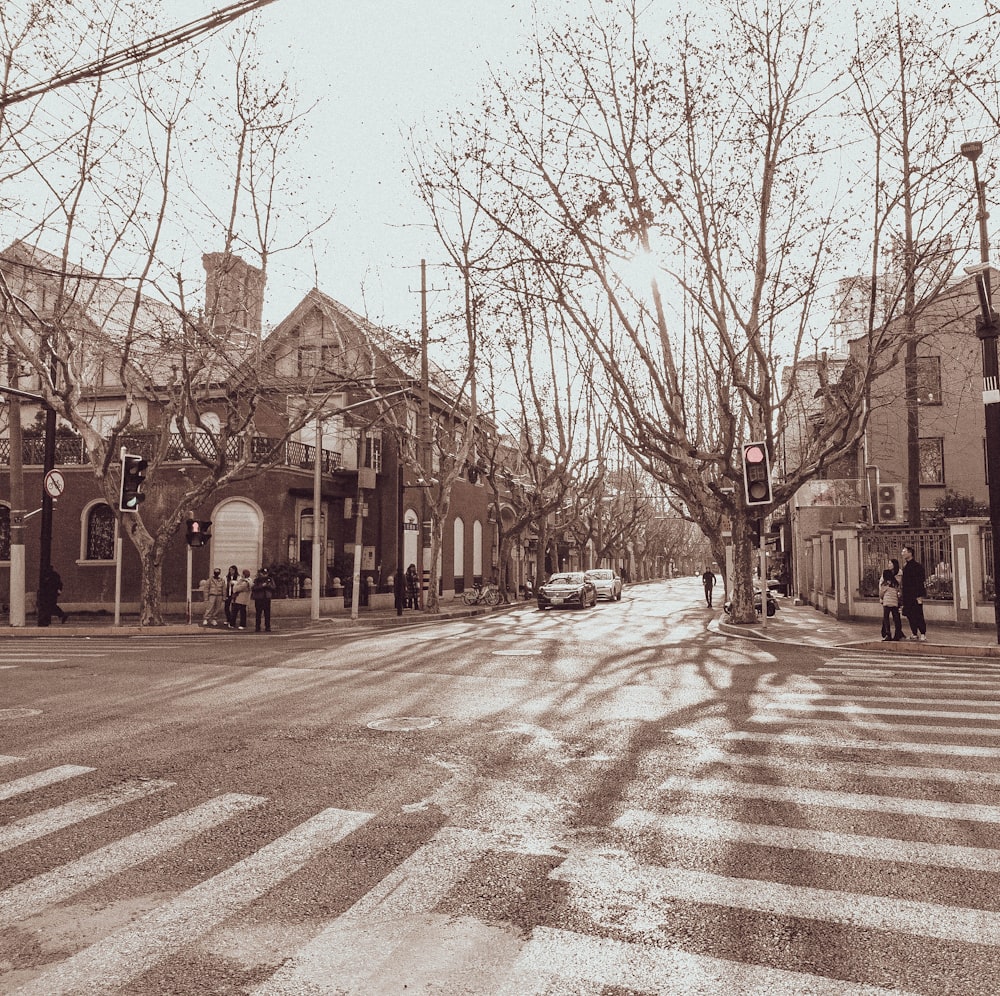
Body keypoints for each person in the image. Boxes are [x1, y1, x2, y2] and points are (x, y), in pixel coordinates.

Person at [900, 545, 927, 641]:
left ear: (910, 553)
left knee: (918, 614)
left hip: (915, 595)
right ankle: (914, 633)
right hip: (907, 595)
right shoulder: (905, 566)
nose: (902, 553)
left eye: (904, 551)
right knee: (910, 614)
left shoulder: (917, 566)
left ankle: (923, 633)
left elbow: (920, 581)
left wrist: (919, 595)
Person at [879, 566, 903, 642]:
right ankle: (897, 634)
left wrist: (882, 598)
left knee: (886, 618)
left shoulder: (884, 584)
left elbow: (881, 593)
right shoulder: (895, 583)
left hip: (886, 603)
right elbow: (898, 592)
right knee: (896, 618)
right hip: (895, 603)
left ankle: (888, 633)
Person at [252, 567, 276, 632]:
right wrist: (262, 586)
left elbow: (273, 587)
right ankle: (257, 627)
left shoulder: (270, 579)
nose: (265, 575)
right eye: (263, 573)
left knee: (267, 614)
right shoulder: (257, 580)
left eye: (266, 573)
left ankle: (267, 627)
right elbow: (254, 588)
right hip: (259, 598)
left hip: (267, 598)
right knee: (258, 613)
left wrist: (268, 586)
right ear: (260, 573)